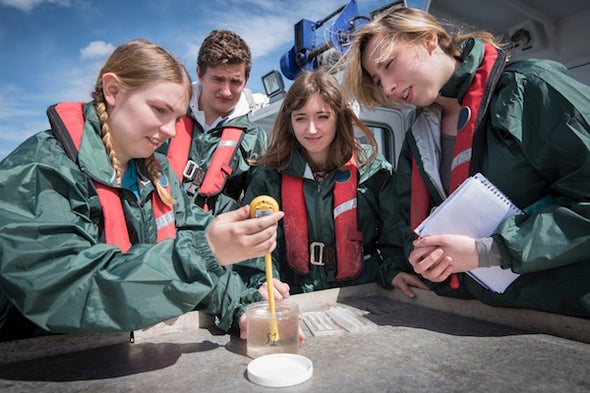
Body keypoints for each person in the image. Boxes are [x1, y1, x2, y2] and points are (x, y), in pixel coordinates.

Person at [0, 39, 284, 342]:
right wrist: (207, 253)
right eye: (159, 110)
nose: (171, 131)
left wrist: (242, 307)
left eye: (176, 118)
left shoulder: (157, 173)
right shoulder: (40, 170)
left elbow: (193, 247)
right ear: (112, 91)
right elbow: (61, 290)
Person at [342, 6, 590, 318]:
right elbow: (402, 226)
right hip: (486, 319)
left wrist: (487, 251)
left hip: (568, 318)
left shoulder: (529, 88)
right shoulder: (417, 140)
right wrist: (417, 261)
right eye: (378, 80)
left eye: (389, 64)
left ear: (429, 39)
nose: (388, 87)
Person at [236, 69, 399, 299]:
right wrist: (264, 280)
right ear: (289, 121)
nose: (311, 129)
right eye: (300, 118)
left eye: (322, 116)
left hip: (362, 295)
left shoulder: (373, 170)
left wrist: (395, 271)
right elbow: (256, 242)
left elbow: (395, 233)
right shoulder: (268, 178)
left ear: (339, 117)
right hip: (295, 298)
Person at [161, 29, 268, 215]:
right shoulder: (165, 114)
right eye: (217, 79)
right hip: (160, 234)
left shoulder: (254, 139)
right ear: (199, 74)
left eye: (235, 82)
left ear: (247, 79)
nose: (226, 91)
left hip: (216, 239)